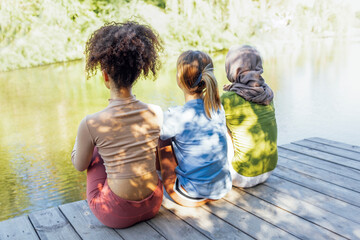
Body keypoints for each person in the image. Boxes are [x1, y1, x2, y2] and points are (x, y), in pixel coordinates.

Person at [71, 21, 164, 228]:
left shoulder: (91, 122)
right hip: (154, 203)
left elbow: (79, 166)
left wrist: (78, 148)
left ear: (105, 75)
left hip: (116, 215)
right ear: (138, 73)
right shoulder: (156, 112)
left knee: (94, 151)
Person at [157, 50, 232, 207]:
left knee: (161, 138)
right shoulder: (218, 108)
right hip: (222, 188)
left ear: (179, 79)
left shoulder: (175, 116)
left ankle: (156, 180)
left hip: (190, 195)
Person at [220, 45, 278, 188]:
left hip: (242, 175)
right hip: (269, 169)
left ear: (232, 68)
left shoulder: (228, 99)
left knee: (219, 125)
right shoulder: (267, 93)